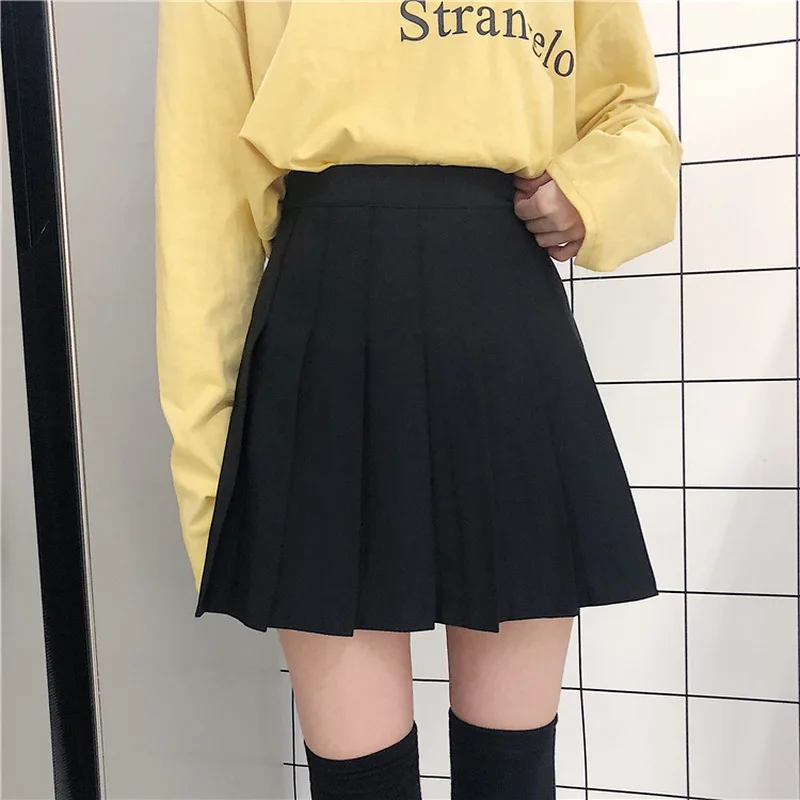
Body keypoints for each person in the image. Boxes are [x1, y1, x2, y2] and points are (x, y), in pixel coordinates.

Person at [153, 1, 682, 797]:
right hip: (325, 323)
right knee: (360, 781)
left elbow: (625, 107)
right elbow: (203, 193)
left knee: (513, 775)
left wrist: (593, 188)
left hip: (502, 308)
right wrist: (210, 475)